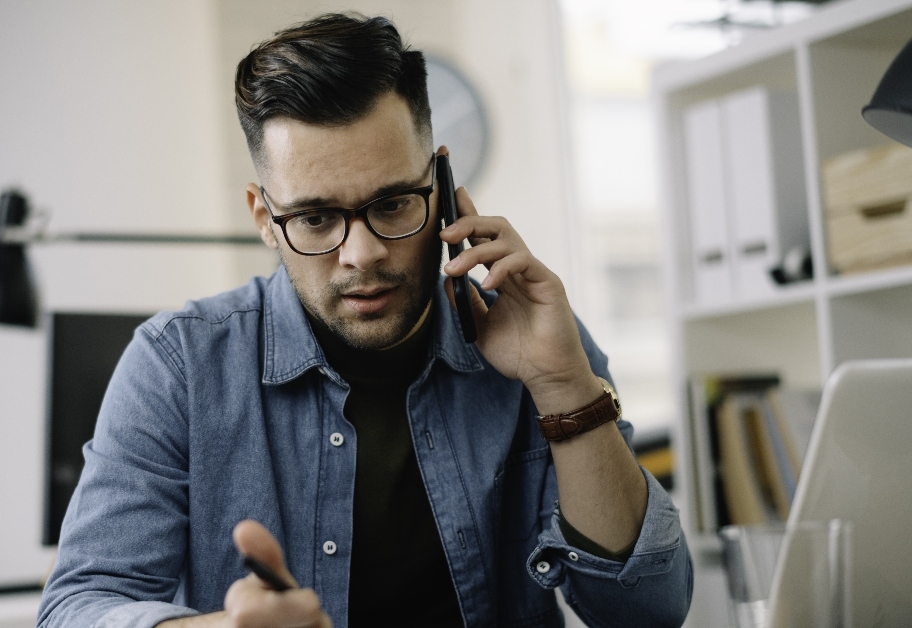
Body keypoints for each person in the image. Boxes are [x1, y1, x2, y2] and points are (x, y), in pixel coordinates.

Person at [38, 13, 691, 628]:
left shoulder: (542, 340)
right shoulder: (175, 366)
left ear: (441, 185)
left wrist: (565, 389)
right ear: (265, 218)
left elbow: (649, 612)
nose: (363, 253)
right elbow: (76, 606)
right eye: (317, 218)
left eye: (393, 202)